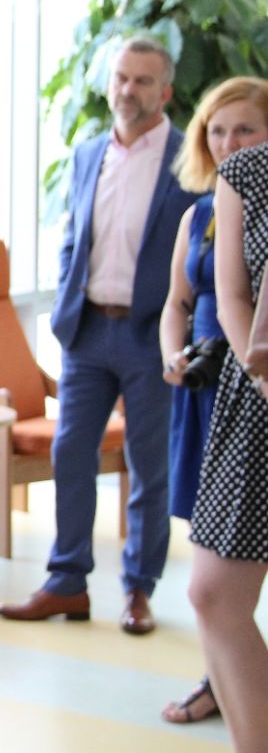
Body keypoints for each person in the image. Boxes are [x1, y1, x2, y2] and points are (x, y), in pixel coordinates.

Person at [0, 37, 197, 634]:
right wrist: (66, 303)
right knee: (70, 452)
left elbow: (200, 250)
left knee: (148, 464)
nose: (128, 90)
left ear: (165, 91)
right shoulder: (88, 153)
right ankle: (67, 583)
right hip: (86, 332)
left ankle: (138, 589)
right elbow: (74, 237)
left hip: (151, 334)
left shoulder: (187, 160)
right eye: (121, 78)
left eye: (142, 80)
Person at [158, 77, 268, 725]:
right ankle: (218, 685)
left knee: (221, 581)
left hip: (245, 380)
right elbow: (185, 300)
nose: (228, 142)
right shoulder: (208, 206)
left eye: (244, 128)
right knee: (212, 573)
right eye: (217, 131)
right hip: (222, 388)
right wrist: (172, 354)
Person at [187, 131, 268, 751]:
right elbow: (232, 297)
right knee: (212, 593)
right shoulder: (246, 173)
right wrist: (262, 376)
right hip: (256, 395)